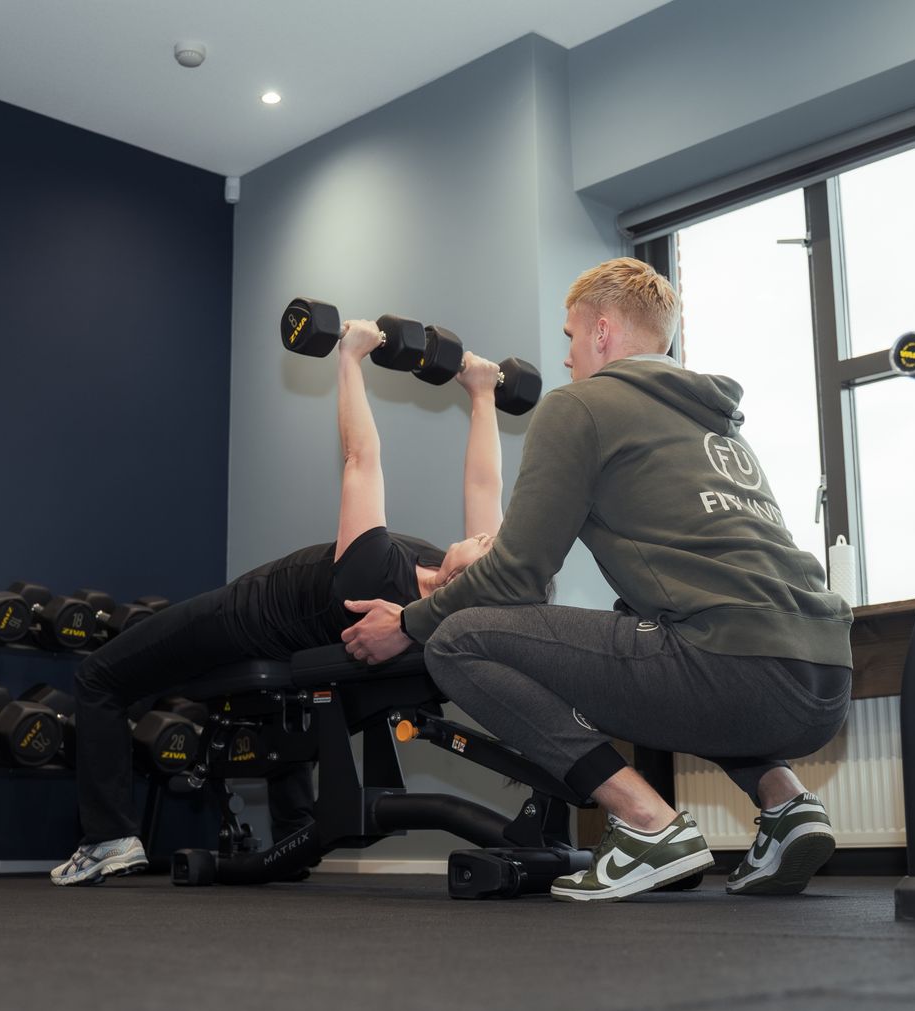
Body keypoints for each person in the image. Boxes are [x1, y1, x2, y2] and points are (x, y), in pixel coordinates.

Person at [342, 257, 855, 903]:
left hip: (734, 670)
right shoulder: (715, 423)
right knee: (673, 627)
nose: (566, 357)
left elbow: (518, 578)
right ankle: (787, 805)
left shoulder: (580, 406)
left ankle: (648, 825)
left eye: (570, 337)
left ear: (604, 332)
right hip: (823, 680)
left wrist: (408, 624)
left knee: (459, 639)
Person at [51, 319, 504, 885]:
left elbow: (361, 457)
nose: (491, 537)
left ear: (464, 578)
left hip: (242, 618)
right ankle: (294, 833)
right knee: (283, 702)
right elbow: (485, 488)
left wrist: (350, 357)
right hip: (292, 641)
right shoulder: (454, 585)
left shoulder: (377, 573)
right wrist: (482, 394)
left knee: (99, 678)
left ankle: (107, 839)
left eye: (488, 547)